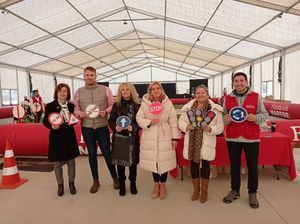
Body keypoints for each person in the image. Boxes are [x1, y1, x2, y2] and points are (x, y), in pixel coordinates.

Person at [222, 72, 268, 209]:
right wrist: (226, 119)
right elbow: (223, 114)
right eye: (236, 81)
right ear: (233, 83)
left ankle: (252, 193)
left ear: (246, 82)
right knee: (234, 167)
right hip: (232, 137)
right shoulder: (227, 98)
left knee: (253, 168)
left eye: (242, 80)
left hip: (251, 138)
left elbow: (264, 115)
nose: (239, 83)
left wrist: (255, 118)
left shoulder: (256, 97)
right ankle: (235, 191)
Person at [73, 66, 118, 194]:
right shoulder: (79, 91)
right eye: (87, 75)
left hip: (102, 127)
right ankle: (96, 181)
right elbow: (75, 108)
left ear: (96, 76)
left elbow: (112, 104)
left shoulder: (105, 90)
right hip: (86, 128)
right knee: (91, 154)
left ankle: (115, 178)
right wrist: (79, 113)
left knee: (107, 154)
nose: (89, 77)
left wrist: (106, 111)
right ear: (84, 76)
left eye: (91, 75)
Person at [178, 85, 224, 203]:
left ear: (207, 94)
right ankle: (195, 189)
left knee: (205, 164)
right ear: (195, 95)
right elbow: (181, 122)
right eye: (198, 93)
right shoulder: (188, 108)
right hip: (192, 140)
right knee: (193, 164)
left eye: (203, 92)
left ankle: (204, 191)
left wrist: (210, 129)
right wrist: (185, 126)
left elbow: (220, 127)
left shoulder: (215, 109)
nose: (200, 95)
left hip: (207, 140)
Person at [136, 81, 180, 199]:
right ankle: (156, 185)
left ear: (161, 90)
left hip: (165, 135)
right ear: (150, 91)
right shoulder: (145, 104)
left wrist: (175, 138)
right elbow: (138, 118)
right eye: (153, 89)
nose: (155, 90)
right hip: (150, 135)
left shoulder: (168, 103)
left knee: (164, 162)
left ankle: (163, 185)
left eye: (157, 88)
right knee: (154, 162)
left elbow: (173, 120)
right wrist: (149, 122)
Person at [43, 83, 80, 197]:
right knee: (57, 164)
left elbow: (74, 118)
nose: (62, 93)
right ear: (56, 93)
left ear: (68, 93)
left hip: (69, 137)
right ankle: (60, 186)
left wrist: (75, 120)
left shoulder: (72, 106)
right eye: (60, 91)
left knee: (71, 163)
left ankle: (71, 184)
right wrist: (52, 126)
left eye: (65, 91)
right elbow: (45, 121)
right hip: (56, 138)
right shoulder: (50, 105)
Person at [108, 83, 140, 196]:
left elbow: (140, 123)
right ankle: (122, 184)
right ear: (120, 92)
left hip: (132, 139)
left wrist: (134, 127)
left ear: (131, 91)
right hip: (119, 139)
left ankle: (133, 183)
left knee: (133, 164)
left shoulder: (137, 106)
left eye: (127, 89)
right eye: (123, 90)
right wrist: (115, 127)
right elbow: (110, 120)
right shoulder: (116, 105)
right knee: (120, 164)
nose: (125, 92)